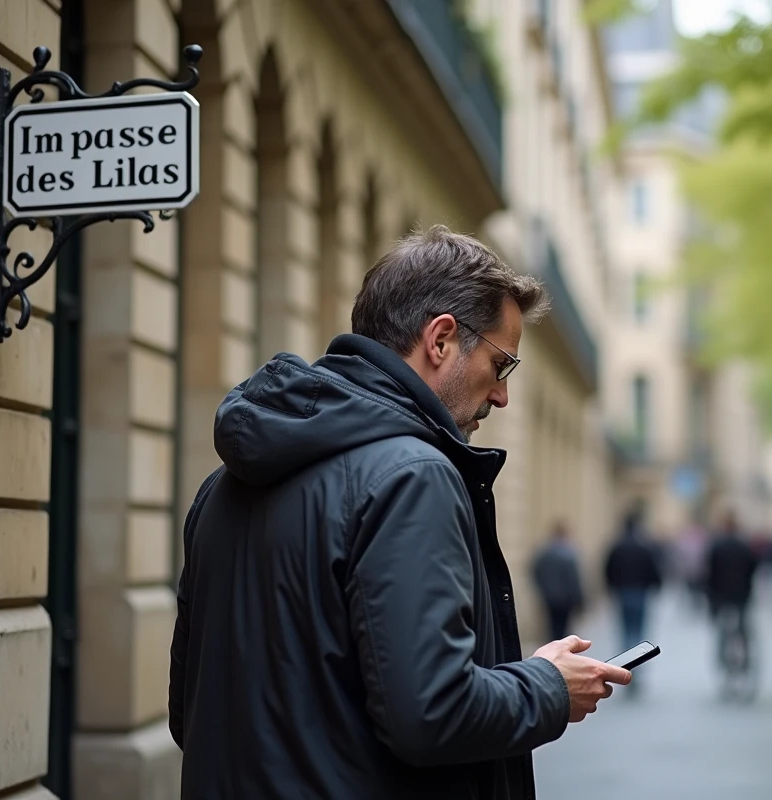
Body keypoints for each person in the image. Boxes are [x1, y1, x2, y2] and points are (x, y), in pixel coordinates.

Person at [169, 226, 631, 799]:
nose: (502, 396)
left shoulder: (220, 488)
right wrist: (548, 686)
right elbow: (429, 712)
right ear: (440, 340)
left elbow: (189, 713)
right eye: (501, 364)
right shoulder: (412, 476)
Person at [706, 511, 761, 700]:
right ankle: (745, 669)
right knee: (744, 637)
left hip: (722, 600)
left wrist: (711, 604)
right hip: (741, 599)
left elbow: (710, 576)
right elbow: (753, 570)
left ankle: (725, 671)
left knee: (722, 638)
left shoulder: (716, 546)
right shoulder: (744, 546)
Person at [604, 510, 663, 656]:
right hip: (640, 592)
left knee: (625, 629)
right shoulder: (643, 547)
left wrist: (612, 587)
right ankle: (636, 660)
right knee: (638, 629)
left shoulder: (617, 547)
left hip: (623, 592)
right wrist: (655, 585)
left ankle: (626, 660)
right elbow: (653, 570)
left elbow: (608, 570)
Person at [531, 522, 585, 641]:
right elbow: (573, 579)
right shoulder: (568, 553)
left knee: (552, 626)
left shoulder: (544, 553)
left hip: (550, 597)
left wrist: (543, 589)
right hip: (566, 599)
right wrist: (579, 599)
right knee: (563, 627)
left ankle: (552, 647)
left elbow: (535, 572)